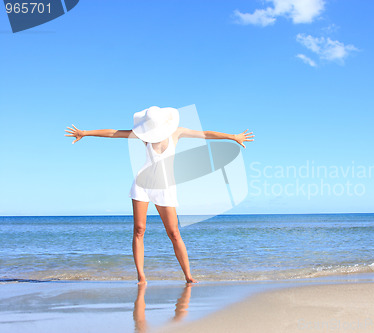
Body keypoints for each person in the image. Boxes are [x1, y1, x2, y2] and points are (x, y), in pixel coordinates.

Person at [65, 106, 254, 284]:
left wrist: (233, 137)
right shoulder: (144, 135)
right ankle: (141, 277)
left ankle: (188, 276)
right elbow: (114, 133)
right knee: (139, 230)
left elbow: (205, 134)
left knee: (174, 233)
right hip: (143, 185)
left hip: (165, 187)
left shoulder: (177, 132)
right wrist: (85, 133)